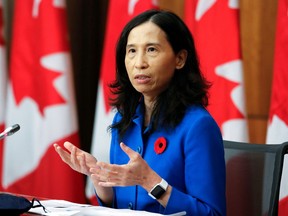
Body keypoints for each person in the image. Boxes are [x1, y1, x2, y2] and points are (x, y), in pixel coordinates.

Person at [54, 9, 226, 216]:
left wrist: (150, 181)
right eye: (132, 51)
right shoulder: (124, 119)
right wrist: (99, 179)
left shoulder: (198, 126)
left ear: (179, 59)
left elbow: (212, 214)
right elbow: (122, 208)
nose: (139, 63)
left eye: (151, 50)